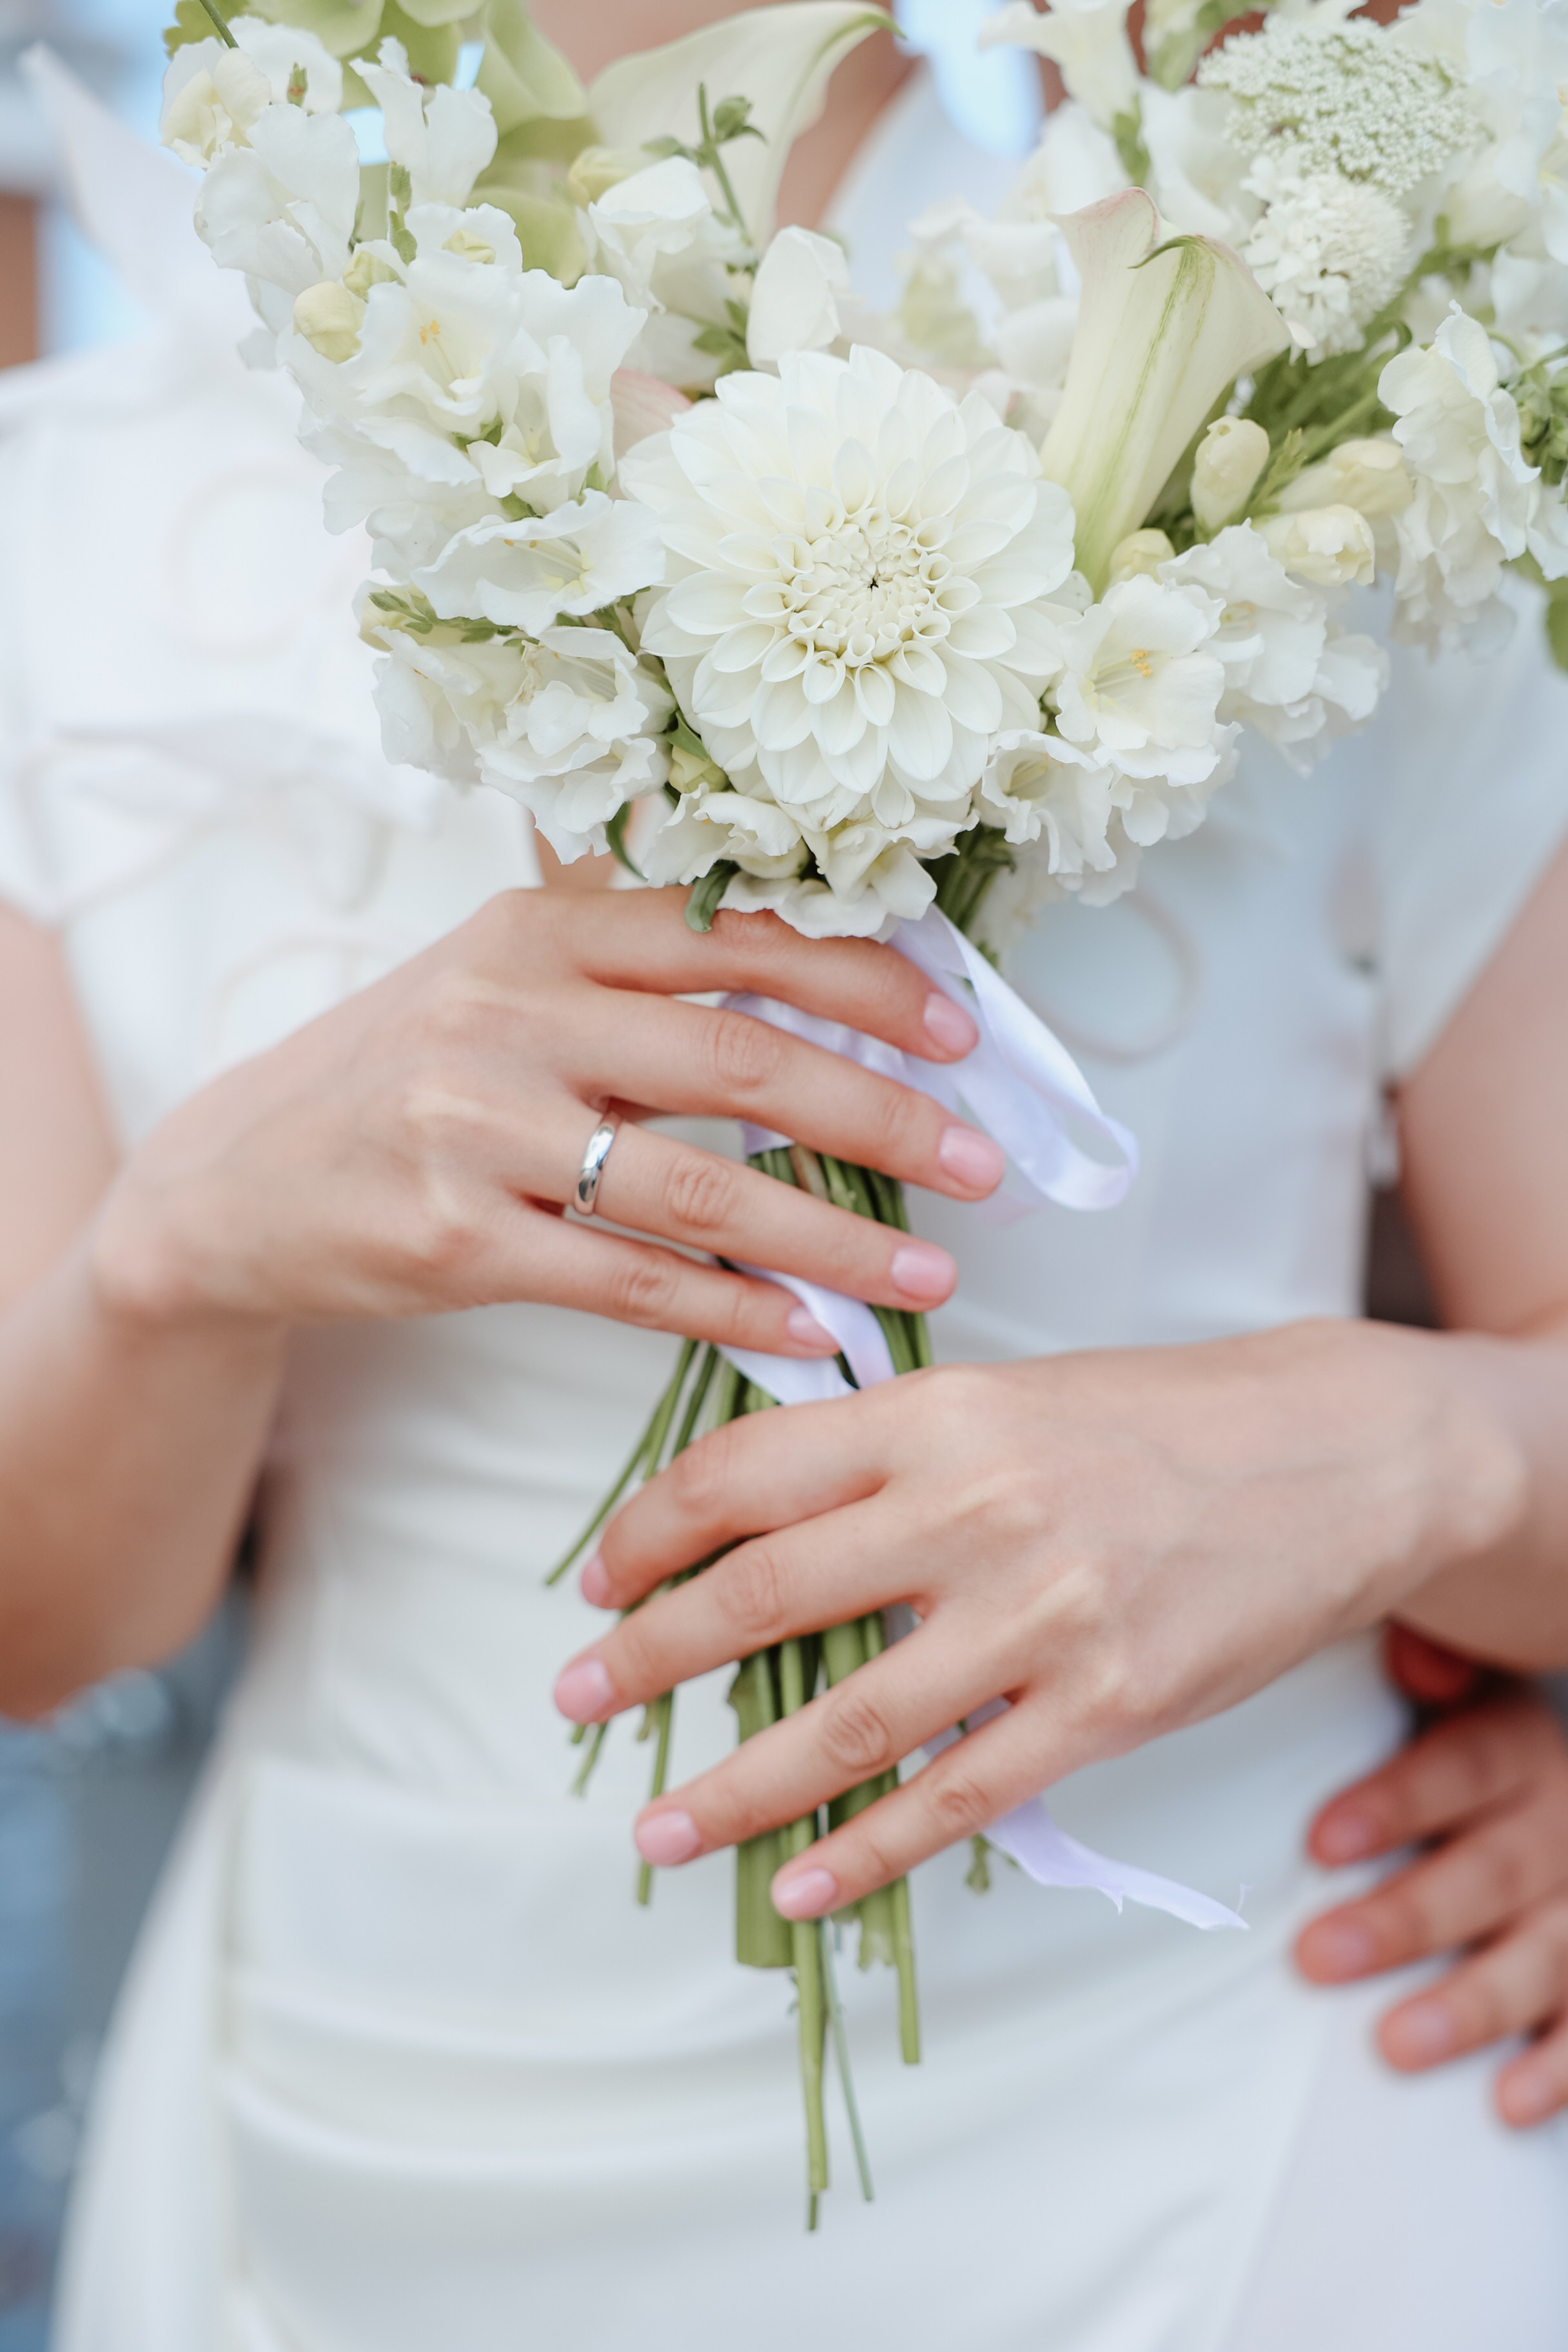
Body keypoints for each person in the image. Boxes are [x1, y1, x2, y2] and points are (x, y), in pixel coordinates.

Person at [4, 19, 1568, 2352]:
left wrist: (1398, 1445)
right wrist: (176, 1258)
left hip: (1244, 2112)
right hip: (346, 2149)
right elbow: (50, 1629)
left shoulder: (1326, 421)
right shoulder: (62, 531)